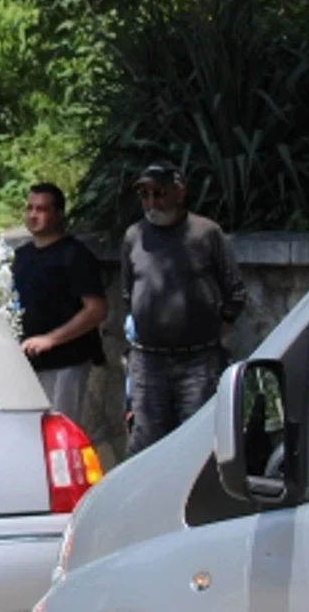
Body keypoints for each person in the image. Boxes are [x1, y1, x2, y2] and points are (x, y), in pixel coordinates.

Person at [122, 162, 248, 456]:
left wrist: (220, 323)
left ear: (179, 192)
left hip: (198, 362)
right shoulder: (134, 236)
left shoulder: (205, 233)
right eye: (145, 195)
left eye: (159, 193)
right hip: (148, 363)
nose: (153, 202)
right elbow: (129, 292)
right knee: (146, 447)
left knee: (198, 445)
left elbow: (236, 291)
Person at [11, 183, 108, 429]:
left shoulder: (75, 255)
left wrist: (51, 339)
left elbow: (96, 310)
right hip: (28, 362)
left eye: (41, 209)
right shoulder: (22, 256)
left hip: (68, 362)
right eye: (30, 208)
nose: (33, 215)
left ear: (59, 214)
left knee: (62, 431)